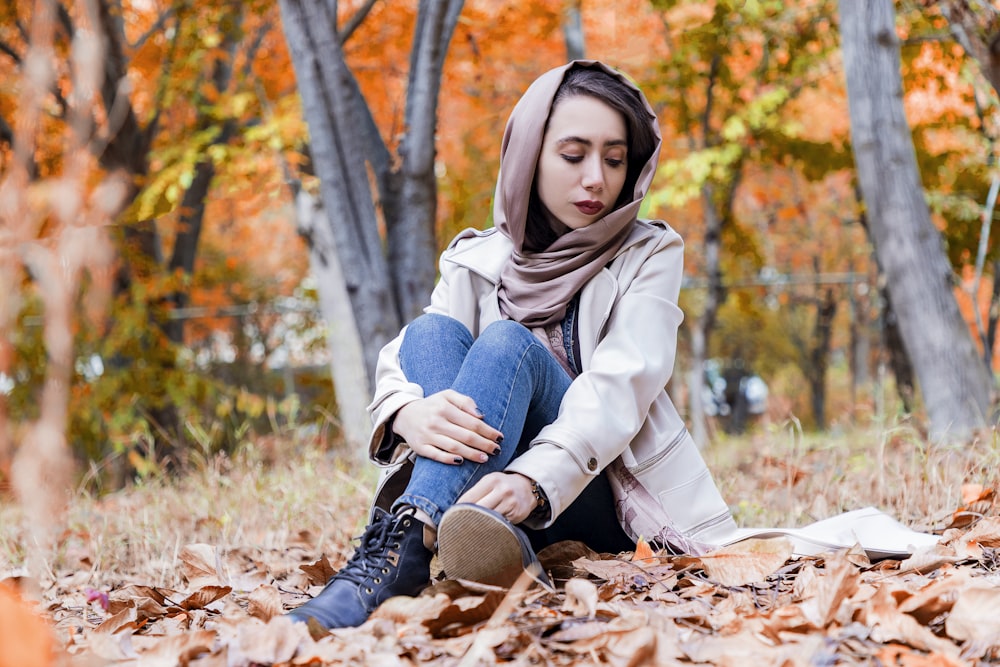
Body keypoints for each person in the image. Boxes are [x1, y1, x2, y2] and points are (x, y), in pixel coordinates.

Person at [287, 60, 738, 630]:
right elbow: (405, 358)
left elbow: (620, 389)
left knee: (507, 343)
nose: (596, 178)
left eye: (615, 159)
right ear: (528, 154)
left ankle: (402, 553)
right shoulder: (475, 258)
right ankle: (472, 544)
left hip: (591, 494)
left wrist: (533, 481)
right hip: (487, 498)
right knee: (431, 334)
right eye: (573, 156)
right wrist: (406, 413)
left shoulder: (648, 254)